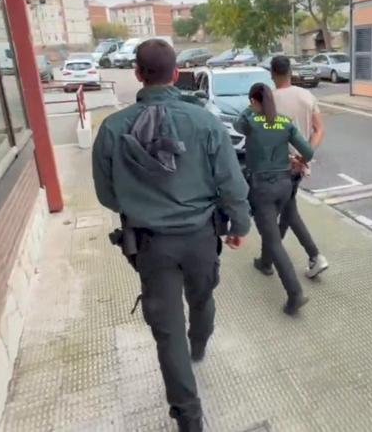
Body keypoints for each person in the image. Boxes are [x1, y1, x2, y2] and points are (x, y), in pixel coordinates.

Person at [92, 39, 250, 432]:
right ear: (176, 73)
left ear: (137, 74)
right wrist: (241, 225)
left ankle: (189, 418)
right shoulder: (205, 122)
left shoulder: (112, 129)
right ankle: (200, 344)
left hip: (150, 244)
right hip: (200, 237)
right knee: (202, 297)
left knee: (167, 333)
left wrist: (142, 204)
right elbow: (232, 183)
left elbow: (106, 195)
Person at [235, 83, 316, 315]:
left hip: (262, 187)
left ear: (254, 100)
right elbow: (308, 153)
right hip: (285, 184)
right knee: (272, 228)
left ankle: (295, 294)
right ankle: (265, 262)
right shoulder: (284, 121)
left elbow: (236, 125)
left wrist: (250, 109)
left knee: (272, 238)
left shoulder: (250, 120)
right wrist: (297, 160)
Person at [253, 55, 329, 279]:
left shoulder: (270, 100)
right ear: (290, 72)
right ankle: (268, 260)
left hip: (277, 168)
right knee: (288, 211)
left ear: (273, 74)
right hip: (299, 168)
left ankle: (314, 256)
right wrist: (304, 158)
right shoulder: (307, 96)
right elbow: (319, 130)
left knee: (282, 214)